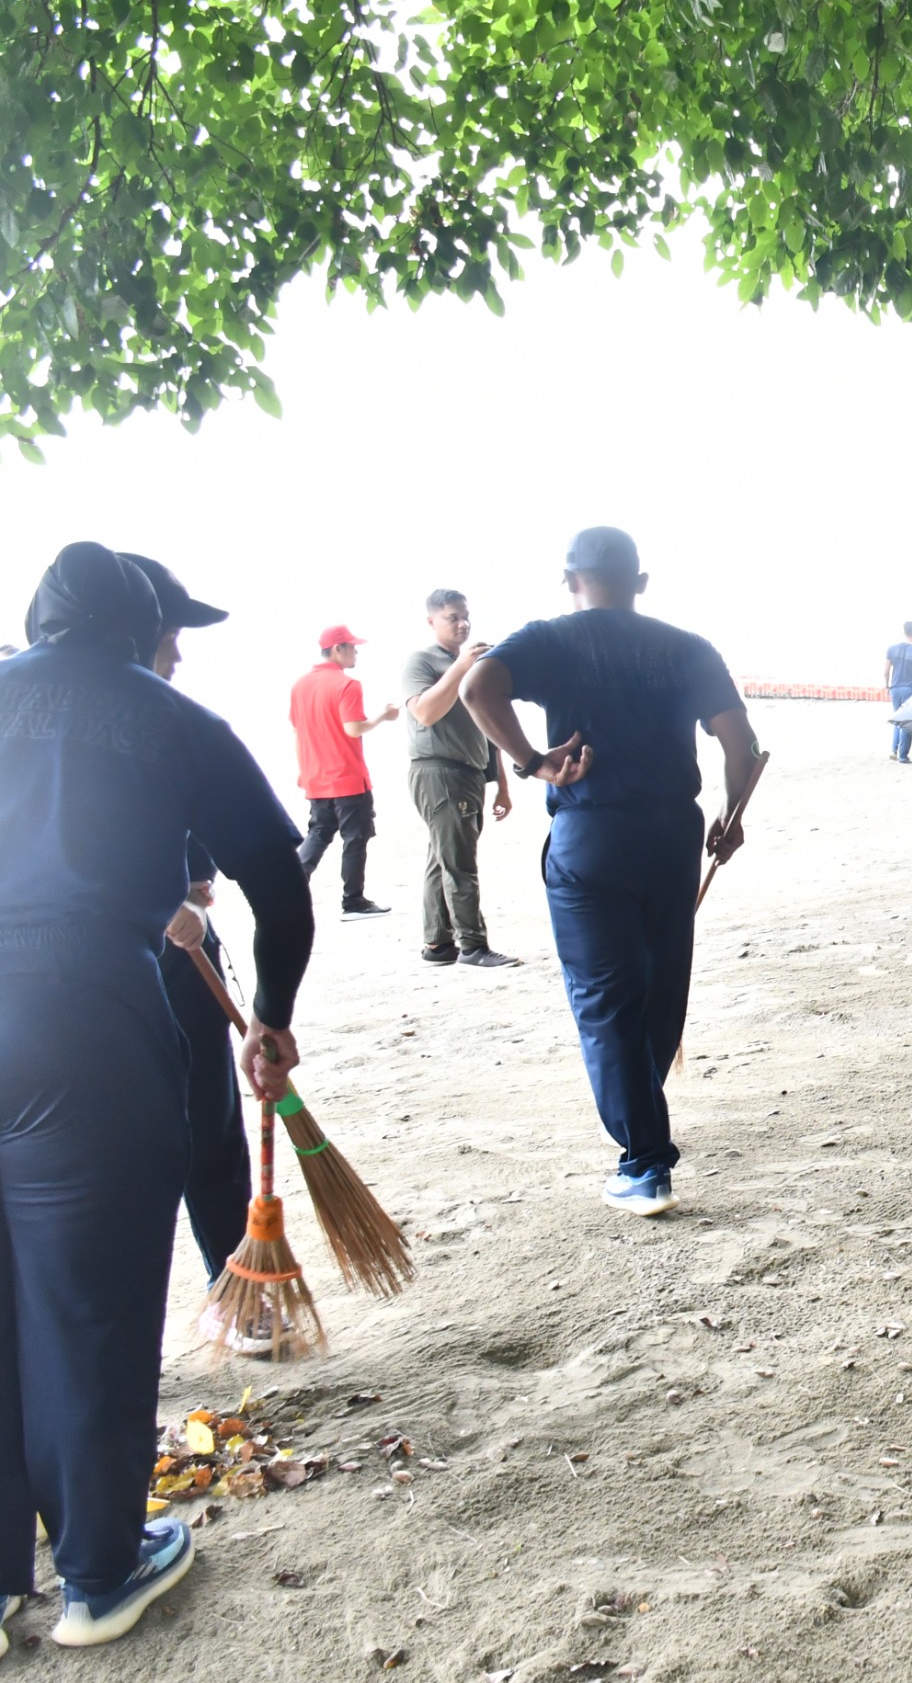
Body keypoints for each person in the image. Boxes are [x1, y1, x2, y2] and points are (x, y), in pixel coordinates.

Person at [2, 542, 312, 1646]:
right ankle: (98, 1571)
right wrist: (270, 1015)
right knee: (92, 1298)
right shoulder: (175, 719)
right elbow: (279, 882)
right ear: (141, 631)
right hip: (85, 1008)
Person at [461, 527, 759, 1217]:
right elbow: (740, 744)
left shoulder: (551, 639)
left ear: (571, 580)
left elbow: (477, 689)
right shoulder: (687, 647)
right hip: (673, 834)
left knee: (605, 997)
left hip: (592, 835)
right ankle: (639, 1110)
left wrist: (532, 762)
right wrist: (732, 813)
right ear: (640, 583)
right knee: (660, 985)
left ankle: (645, 1160)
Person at [119, 554, 258, 1291]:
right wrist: (150, 893)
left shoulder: (174, 724)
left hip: (180, 957)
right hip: (91, 973)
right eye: (168, 637)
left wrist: (193, 883)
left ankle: (233, 1284)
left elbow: (202, 832)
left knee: (210, 1123)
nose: (176, 656)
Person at [401, 590, 518, 967]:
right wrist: (461, 667)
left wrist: (502, 785)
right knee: (459, 863)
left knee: (443, 858)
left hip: (469, 773)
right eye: (452, 617)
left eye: (465, 616)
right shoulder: (422, 661)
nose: (462, 624)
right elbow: (424, 713)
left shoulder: (473, 666)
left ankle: (438, 945)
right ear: (432, 621)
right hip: (439, 771)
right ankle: (473, 946)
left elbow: (489, 728)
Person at [290, 624, 400, 918]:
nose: (356, 653)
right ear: (338, 649)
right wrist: (384, 716)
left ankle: (288, 890)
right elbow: (353, 728)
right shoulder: (347, 685)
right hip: (348, 777)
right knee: (355, 839)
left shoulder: (300, 685)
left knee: (318, 834)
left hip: (315, 777)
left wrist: (306, 768)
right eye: (353, 647)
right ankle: (353, 902)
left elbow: (298, 728)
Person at [885, 622, 912, 764]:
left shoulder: (891, 649)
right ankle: (903, 756)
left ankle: (893, 749)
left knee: (897, 719)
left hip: (895, 689)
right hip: (909, 690)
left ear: (903, 631)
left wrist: (887, 686)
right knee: (907, 722)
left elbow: (886, 671)